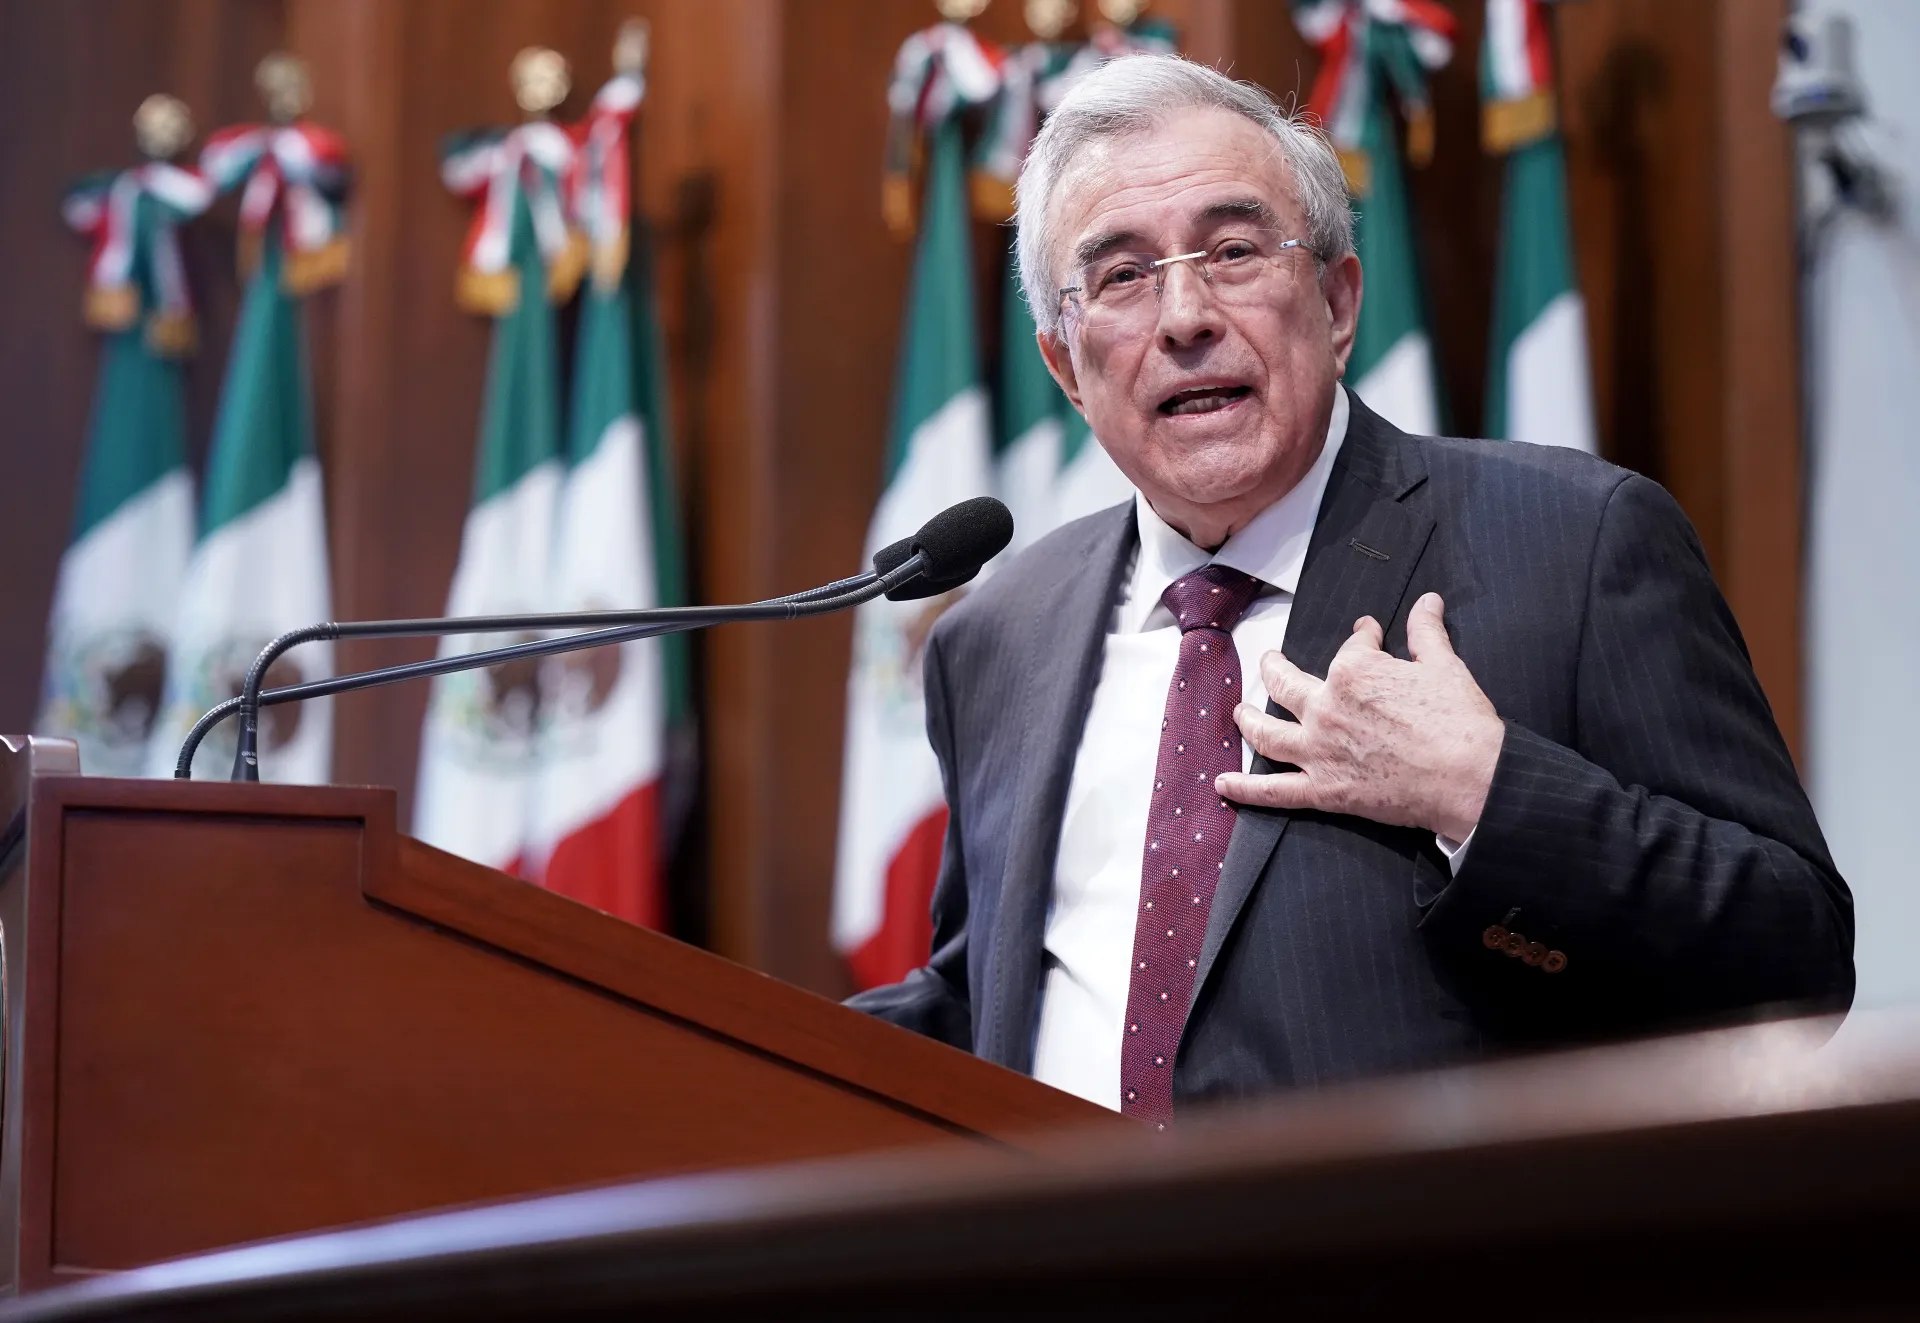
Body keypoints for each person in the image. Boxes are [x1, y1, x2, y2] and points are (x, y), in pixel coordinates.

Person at [847, 54, 1853, 1128]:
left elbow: (1793, 962)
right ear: (1064, 366)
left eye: (1233, 251)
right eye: (1124, 276)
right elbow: (990, 995)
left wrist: (1487, 798)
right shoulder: (1001, 633)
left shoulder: (1574, 545)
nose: (1183, 315)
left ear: (1336, 300)